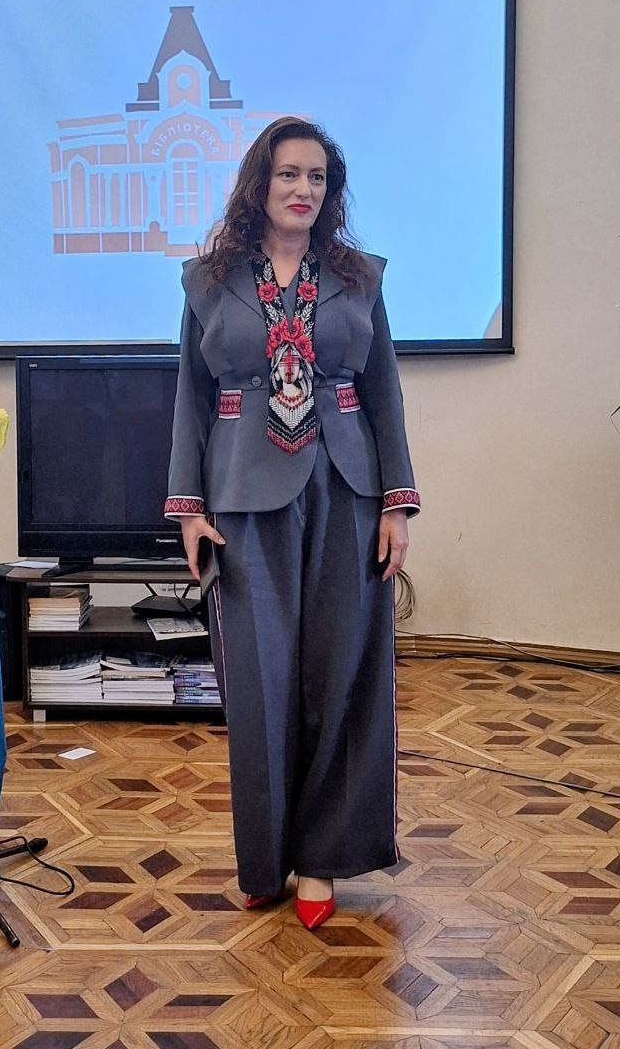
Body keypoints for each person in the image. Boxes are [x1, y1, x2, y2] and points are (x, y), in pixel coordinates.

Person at [164, 116, 420, 930]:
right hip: (243, 493)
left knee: (343, 673)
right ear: (259, 183)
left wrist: (396, 503)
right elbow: (191, 398)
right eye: (288, 174)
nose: (302, 189)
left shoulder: (359, 278)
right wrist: (189, 510)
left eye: (316, 177)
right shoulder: (209, 281)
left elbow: (383, 394)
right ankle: (267, 856)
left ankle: (324, 859)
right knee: (259, 683)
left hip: (347, 487)